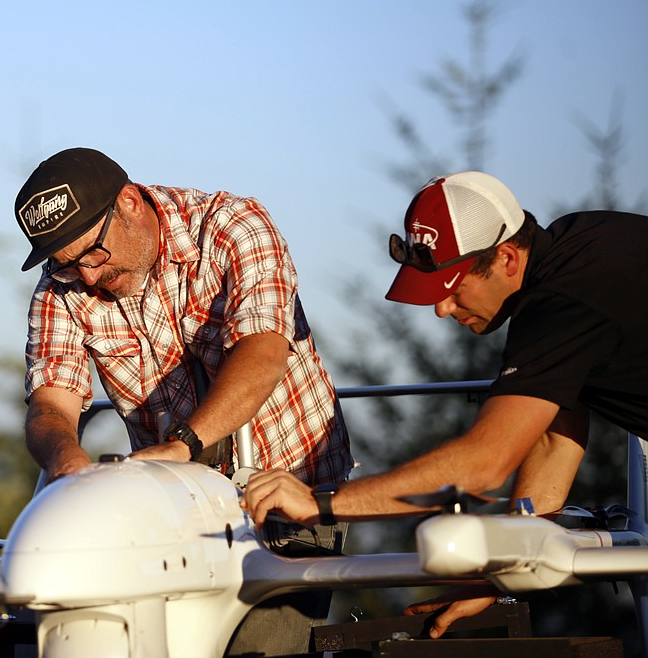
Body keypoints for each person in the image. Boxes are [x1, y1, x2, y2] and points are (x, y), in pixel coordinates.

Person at [243, 170, 648, 638]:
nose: (442, 308)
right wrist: (496, 574)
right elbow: (555, 438)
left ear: (507, 258)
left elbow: (484, 464)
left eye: (454, 288)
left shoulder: (561, 305)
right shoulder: (576, 244)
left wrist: (321, 503)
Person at [15, 147, 354, 656]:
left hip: (292, 495)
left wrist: (183, 445)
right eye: (67, 264)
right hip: (172, 512)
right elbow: (50, 404)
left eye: (93, 254)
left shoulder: (235, 227)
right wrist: (68, 466)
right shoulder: (60, 286)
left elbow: (263, 353)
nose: (86, 277)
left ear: (129, 202)